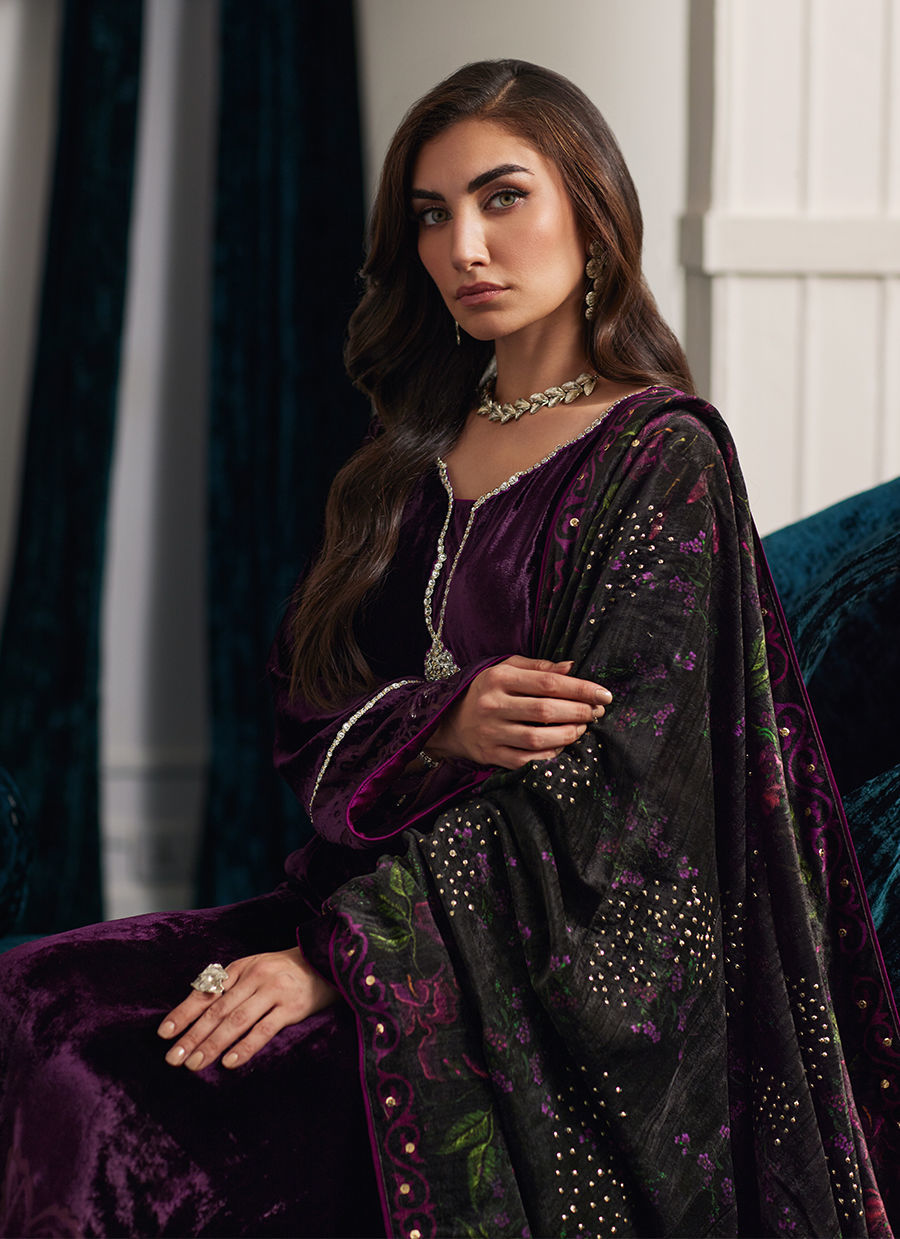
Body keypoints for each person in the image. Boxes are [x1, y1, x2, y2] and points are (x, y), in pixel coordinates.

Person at [0, 58, 897, 1239]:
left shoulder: (660, 457)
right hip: (356, 911)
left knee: (109, 1102)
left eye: (503, 198)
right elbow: (308, 705)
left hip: (506, 989)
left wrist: (343, 963)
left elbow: (625, 808)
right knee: (30, 1000)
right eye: (432, 214)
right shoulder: (407, 456)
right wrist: (445, 722)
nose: (464, 247)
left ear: (591, 211)